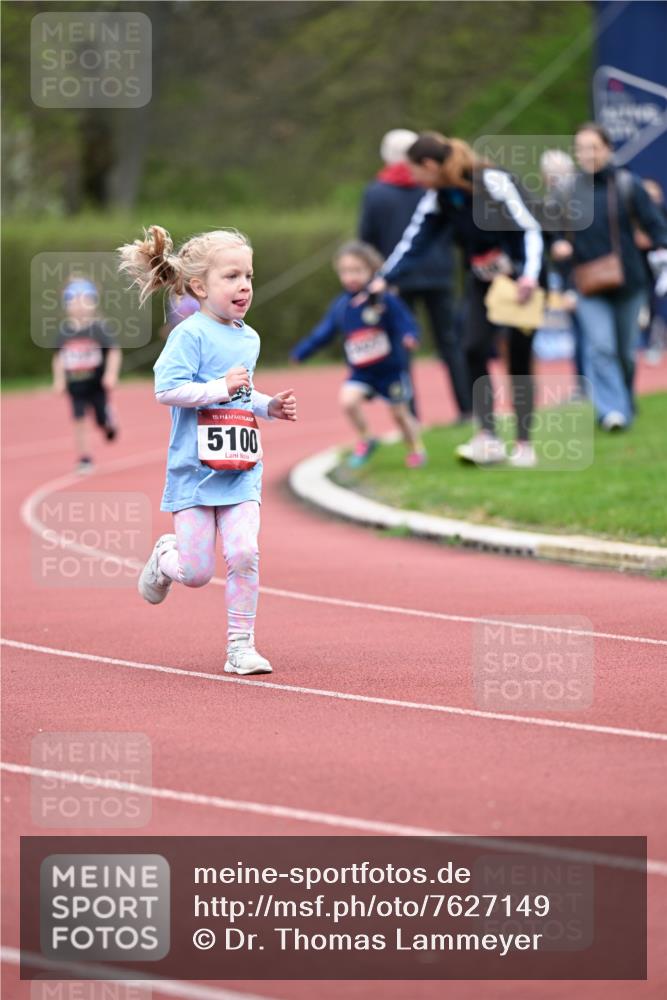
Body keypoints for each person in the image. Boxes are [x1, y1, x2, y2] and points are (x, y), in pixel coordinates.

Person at [118, 225, 297, 676]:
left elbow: (242, 393)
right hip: (193, 473)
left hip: (240, 469)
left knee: (243, 554)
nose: (244, 286)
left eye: (249, 277)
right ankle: (165, 556)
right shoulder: (189, 335)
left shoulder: (248, 338)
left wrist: (268, 406)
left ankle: (241, 646)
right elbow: (167, 390)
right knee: (196, 572)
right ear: (200, 286)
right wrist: (219, 388)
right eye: (232, 276)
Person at [373, 132, 546, 467]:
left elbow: (530, 228)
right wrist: (383, 279)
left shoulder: (490, 181)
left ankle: (525, 443)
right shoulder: (438, 196)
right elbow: (414, 241)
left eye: (415, 171)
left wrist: (529, 274)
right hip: (483, 281)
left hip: (523, 279)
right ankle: (488, 437)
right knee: (471, 347)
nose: (413, 179)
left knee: (519, 359)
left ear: (429, 165)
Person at [551, 123, 667, 430]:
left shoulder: (628, 185)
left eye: (593, 147)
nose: (587, 154)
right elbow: (547, 229)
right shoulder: (565, 192)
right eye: (581, 148)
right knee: (600, 347)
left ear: (608, 149)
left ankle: (624, 398)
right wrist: (557, 245)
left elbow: (656, 225)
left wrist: (659, 244)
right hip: (587, 283)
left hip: (629, 281)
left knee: (626, 352)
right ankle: (612, 412)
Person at [359, 129, 471, 421]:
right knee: (451, 344)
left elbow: (366, 240)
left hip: (396, 280)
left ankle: (409, 416)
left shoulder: (376, 192)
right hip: (440, 274)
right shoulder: (435, 186)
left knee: (401, 347)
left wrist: (378, 278)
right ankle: (467, 409)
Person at [290, 240, 426, 468]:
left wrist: (410, 336)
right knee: (347, 401)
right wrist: (302, 352)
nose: (350, 277)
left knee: (400, 415)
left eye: (357, 271)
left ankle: (415, 448)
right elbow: (324, 332)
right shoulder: (341, 306)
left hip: (390, 371)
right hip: (362, 372)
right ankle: (366, 437)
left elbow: (405, 320)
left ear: (371, 271)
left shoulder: (385, 299)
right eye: (345, 272)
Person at [52, 277, 121, 474]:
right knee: (79, 419)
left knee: (100, 421)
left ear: (93, 303)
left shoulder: (99, 329)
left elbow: (114, 351)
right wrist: (58, 380)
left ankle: (107, 419)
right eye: (74, 301)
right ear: (67, 305)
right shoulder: (64, 332)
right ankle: (84, 458)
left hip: (97, 385)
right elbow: (58, 357)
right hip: (75, 386)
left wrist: (110, 374)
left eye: (85, 300)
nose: (80, 306)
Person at [539, 148, 587, 399]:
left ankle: (593, 386)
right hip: (572, 280)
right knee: (582, 332)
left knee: (591, 334)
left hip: (589, 277)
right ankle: (584, 386)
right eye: (552, 176)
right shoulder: (550, 207)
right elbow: (553, 248)